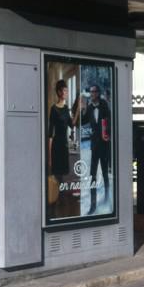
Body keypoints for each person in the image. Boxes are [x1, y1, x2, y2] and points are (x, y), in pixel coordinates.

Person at [80, 83, 111, 215]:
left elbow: (110, 120)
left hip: (104, 144)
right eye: (90, 92)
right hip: (94, 146)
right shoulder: (89, 107)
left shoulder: (104, 105)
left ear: (97, 93)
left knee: (105, 174)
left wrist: (108, 135)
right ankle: (92, 205)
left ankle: (107, 198)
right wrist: (83, 109)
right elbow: (83, 121)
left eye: (93, 92)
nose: (92, 94)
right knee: (92, 175)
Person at [47, 80, 80, 181]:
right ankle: (58, 196)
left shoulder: (66, 108)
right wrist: (49, 157)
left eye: (67, 90)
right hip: (56, 146)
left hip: (64, 145)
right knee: (57, 175)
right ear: (59, 92)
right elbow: (50, 135)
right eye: (64, 90)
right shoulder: (53, 109)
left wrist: (78, 109)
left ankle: (61, 195)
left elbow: (72, 124)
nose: (66, 93)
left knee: (64, 175)